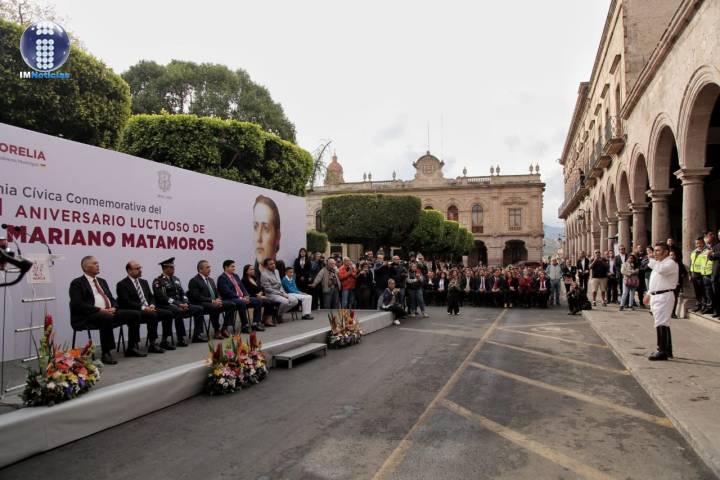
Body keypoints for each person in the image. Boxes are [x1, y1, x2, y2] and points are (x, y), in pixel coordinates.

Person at [70, 256, 144, 365]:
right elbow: (78, 304)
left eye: (97, 263)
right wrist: (100, 310)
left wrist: (114, 307)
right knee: (106, 317)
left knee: (134, 314)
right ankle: (106, 353)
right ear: (86, 267)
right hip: (88, 315)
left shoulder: (102, 281)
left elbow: (112, 299)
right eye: (95, 263)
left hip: (108, 312)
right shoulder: (77, 283)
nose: (98, 265)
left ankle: (131, 348)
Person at [117, 260, 174, 353]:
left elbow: (151, 296)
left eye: (140, 268)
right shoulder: (122, 284)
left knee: (168, 314)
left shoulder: (144, 282)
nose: (140, 270)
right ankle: (152, 343)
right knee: (152, 315)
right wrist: (143, 308)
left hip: (148, 308)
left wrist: (152, 304)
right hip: (136, 310)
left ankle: (164, 340)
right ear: (129, 271)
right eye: (137, 268)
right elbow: (125, 302)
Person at [153, 257, 207, 345]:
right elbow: (163, 298)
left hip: (181, 304)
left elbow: (183, 293)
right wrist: (178, 304)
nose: (173, 269)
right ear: (165, 268)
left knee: (199, 309)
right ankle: (180, 338)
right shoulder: (158, 281)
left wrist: (185, 302)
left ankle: (197, 335)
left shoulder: (176, 279)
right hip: (167, 305)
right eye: (171, 267)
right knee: (179, 311)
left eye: (173, 267)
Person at [645, 242, 678, 361]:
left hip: (664, 295)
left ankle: (661, 350)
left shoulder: (670, 263)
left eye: (658, 251)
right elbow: (654, 280)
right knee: (662, 322)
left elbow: (661, 271)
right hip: (656, 295)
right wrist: (648, 293)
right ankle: (667, 350)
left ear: (666, 252)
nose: (655, 253)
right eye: (655, 251)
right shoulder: (659, 263)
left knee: (661, 322)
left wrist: (652, 260)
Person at [188, 260, 236, 339]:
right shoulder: (194, 281)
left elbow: (216, 293)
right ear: (200, 269)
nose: (210, 269)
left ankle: (224, 328)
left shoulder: (211, 280)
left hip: (214, 302)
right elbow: (197, 297)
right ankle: (217, 331)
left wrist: (218, 299)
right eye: (207, 267)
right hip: (201, 303)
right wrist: (212, 301)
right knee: (215, 307)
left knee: (231, 304)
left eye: (209, 267)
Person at [253, 195, 281, 278]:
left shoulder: (279, 267)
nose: (259, 238)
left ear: (277, 236)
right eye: (255, 227)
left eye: (266, 228)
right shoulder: (252, 272)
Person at [690, 236, 710, 313]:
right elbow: (691, 262)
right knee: (697, 291)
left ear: (703, 243)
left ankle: (704, 306)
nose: (698, 245)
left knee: (703, 291)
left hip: (702, 274)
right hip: (694, 273)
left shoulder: (706, 251)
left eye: (699, 243)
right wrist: (690, 274)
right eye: (696, 243)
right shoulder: (694, 252)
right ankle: (698, 305)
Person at [669, 250, 687, 319]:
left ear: (675, 256)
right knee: (668, 298)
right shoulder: (666, 263)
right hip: (667, 284)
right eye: (670, 255)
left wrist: (680, 276)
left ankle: (673, 313)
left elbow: (684, 272)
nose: (671, 256)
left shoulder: (679, 263)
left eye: (673, 255)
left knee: (674, 298)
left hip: (676, 284)